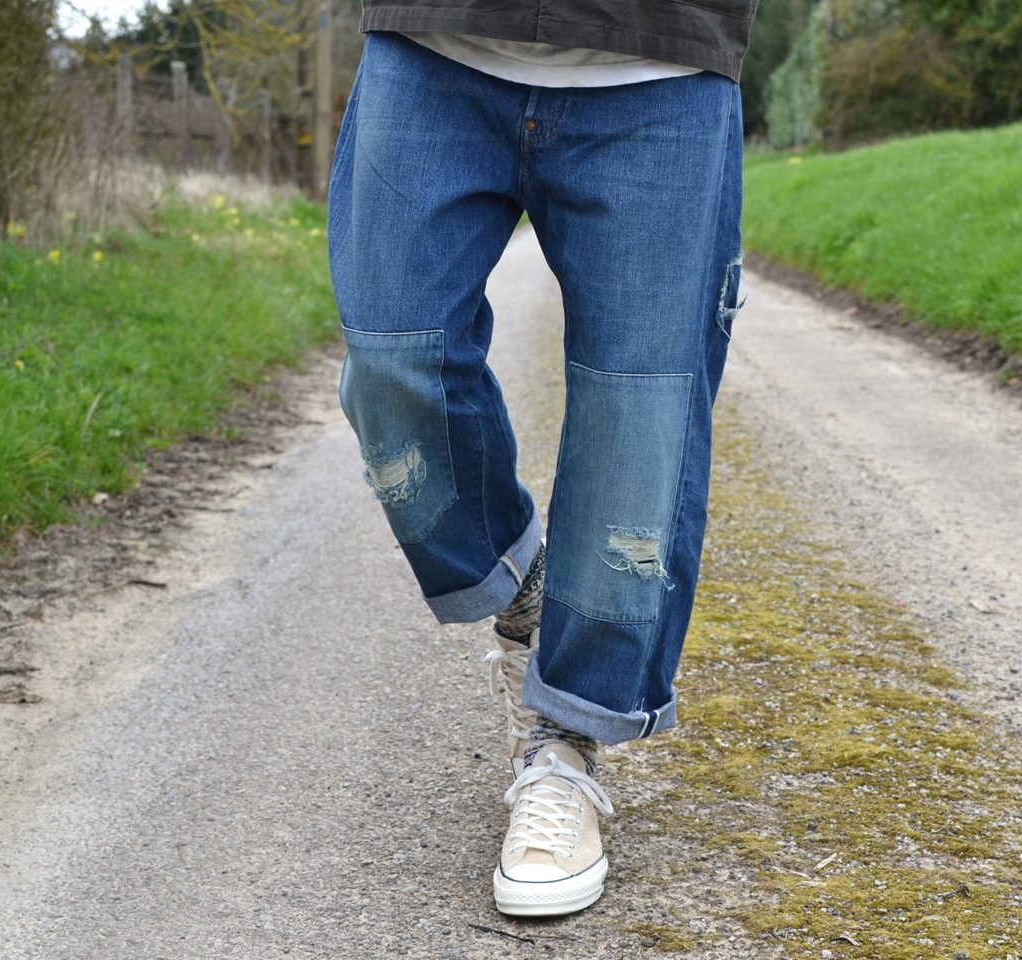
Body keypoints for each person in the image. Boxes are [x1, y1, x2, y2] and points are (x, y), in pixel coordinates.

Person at [326, 0, 757, 918]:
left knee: (639, 420)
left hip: (660, 66)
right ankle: (520, 578)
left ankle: (565, 748)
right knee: (394, 359)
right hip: (431, 42)